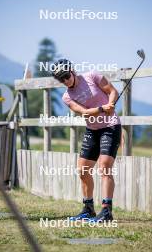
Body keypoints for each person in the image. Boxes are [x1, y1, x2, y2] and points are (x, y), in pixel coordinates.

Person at [52, 59, 121, 222]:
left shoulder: (92, 76)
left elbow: (112, 91)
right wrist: (101, 108)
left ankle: (106, 211)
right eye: (61, 79)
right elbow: (84, 112)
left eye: (66, 76)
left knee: (104, 166)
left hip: (110, 127)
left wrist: (111, 104)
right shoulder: (67, 97)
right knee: (83, 170)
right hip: (92, 130)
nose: (65, 81)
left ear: (72, 71)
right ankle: (88, 209)